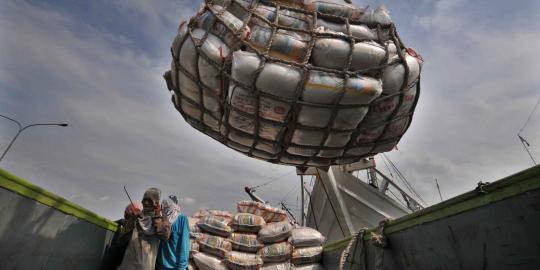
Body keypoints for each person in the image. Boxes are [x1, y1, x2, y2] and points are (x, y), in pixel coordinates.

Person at [117, 188, 171, 270]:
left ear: (156, 203)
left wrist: (156, 216)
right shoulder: (136, 217)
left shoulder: (162, 218)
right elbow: (120, 242)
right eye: (144, 200)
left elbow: (165, 235)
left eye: (149, 200)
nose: (146, 203)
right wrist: (132, 220)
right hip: (128, 266)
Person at [157, 195, 190, 270]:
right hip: (161, 266)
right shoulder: (160, 220)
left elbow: (184, 245)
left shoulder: (182, 219)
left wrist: (182, 267)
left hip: (175, 267)